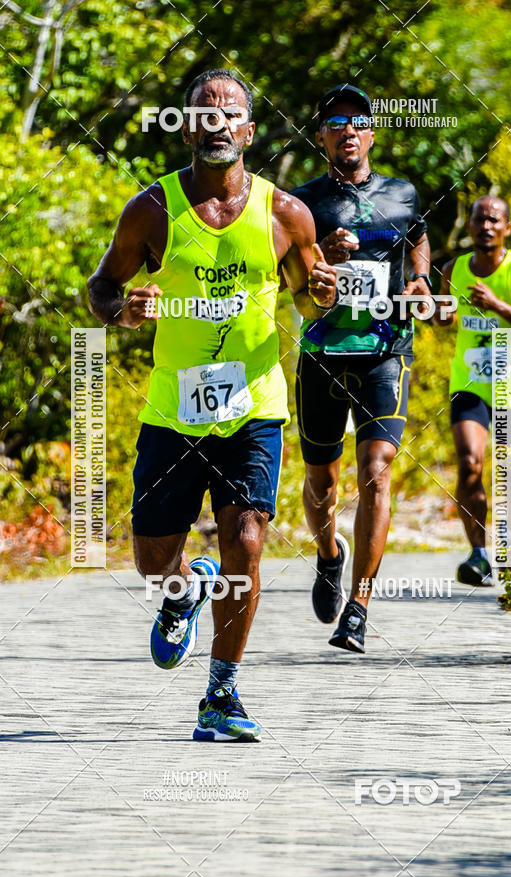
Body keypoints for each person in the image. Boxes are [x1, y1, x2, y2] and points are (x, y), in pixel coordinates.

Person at [88, 68, 337, 741]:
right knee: (151, 559)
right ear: (188, 126)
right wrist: (124, 311)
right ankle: (183, 593)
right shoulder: (152, 210)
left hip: (254, 407)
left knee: (247, 542)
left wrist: (323, 292)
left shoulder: (287, 214)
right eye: (204, 111)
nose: (217, 121)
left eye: (231, 112)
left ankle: (220, 695)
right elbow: (101, 286)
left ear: (250, 131)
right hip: (173, 411)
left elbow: (309, 302)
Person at [291, 84, 432, 653]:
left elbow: (418, 236)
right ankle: (329, 554)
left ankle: (359, 605)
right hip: (323, 354)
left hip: (386, 351)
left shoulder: (401, 194)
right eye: (335, 122)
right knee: (321, 478)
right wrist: (322, 251)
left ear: (372, 132)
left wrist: (421, 280)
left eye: (358, 120)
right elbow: (287, 274)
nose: (348, 129)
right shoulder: (299, 203)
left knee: (377, 467)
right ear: (320, 135)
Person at [435, 195, 511, 585]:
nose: (486, 226)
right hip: (468, 380)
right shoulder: (453, 268)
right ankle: (478, 554)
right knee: (470, 464)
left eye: (494, 221)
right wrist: (437, 311)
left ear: (507, 228)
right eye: (479, 219)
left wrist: (498, 305)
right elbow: (442, 318)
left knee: (510, 475)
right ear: (469, 225)